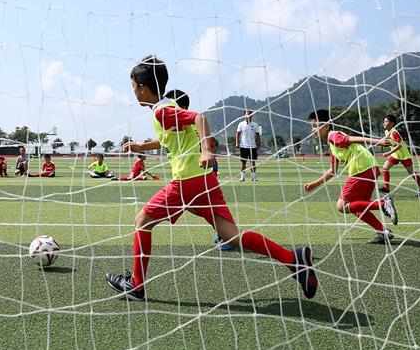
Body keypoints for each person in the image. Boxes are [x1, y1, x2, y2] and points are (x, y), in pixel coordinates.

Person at [105, 55, 317, 301]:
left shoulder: (162, 111)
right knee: (232, 235)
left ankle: (136, 285)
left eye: (133, 87)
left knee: (142, 221)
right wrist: (140, 146)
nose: (133, 92)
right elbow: (170, 137)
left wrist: (206, 150)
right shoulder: (167, 107)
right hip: (205, 180)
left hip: (186, 182)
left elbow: (199, 118)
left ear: (142, 87)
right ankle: (293, 260)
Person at [302, 109, 398, 244]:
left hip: (361, 168)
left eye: (315, 126)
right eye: (311, 127)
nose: (313, 130)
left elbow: (353, 139)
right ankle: (383, 232)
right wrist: (315, 184)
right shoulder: (332, 145)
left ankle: (383, 204)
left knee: (341, 206)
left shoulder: (333, 136)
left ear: (326, 126)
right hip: (370, 168)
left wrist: (378, 142)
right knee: (357, 207)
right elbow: (332, 171)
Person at [380, 114, 420, 197]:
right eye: (384, 121)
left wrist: (388, 153)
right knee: (385, 168)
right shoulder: (387, 131)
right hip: (395, 154)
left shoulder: (394, 132)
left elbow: (399, 145)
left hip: (403, 154)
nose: (384, 123)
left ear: (392, 123)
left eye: (386, 122)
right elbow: (391, 142)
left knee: (411, 172)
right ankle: (386, 188)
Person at [236, 111, 261, 181]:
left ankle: (253, 177)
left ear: (252, 116)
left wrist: (258, 144)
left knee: (253, 162)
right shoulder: (241, 124)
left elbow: (257, 135)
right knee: (243, 163)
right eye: (247, 114)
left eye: (250, 114)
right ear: (244, 115)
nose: (248, 116)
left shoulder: (255, 125)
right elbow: (238, 134)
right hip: (243, 146)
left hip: (252, 146)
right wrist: (237, 143)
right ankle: (242, 177)